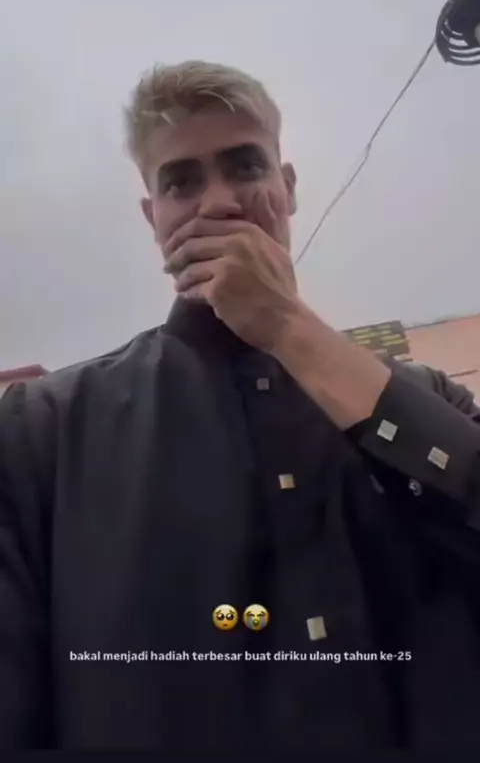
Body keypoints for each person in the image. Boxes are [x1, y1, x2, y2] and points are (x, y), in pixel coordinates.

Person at [1, 59, 480, 750]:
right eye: (181, 181)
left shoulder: (429, 399)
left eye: (245, 166)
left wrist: (287, 327)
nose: (219, 203)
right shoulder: (41, 435)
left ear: (288, 189)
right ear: (153, 216)